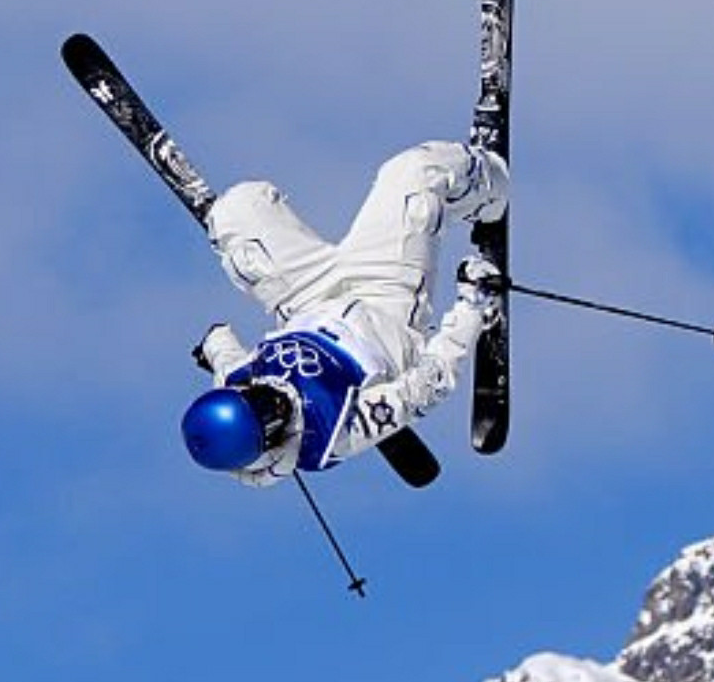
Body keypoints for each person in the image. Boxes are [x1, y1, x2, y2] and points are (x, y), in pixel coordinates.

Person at [177, 140, 504, 479]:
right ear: (269, 443)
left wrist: (213, 342)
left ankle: (232, 225)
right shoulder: (334, 432)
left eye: (255, 397)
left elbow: (226, 359)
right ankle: (492, 188)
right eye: (269, 417)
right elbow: (429, 386)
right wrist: (473, 307)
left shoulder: (240, 379)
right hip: (384, 299)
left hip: (307, 297)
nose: (273, 401)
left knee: (237, 212)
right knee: (414, 174)